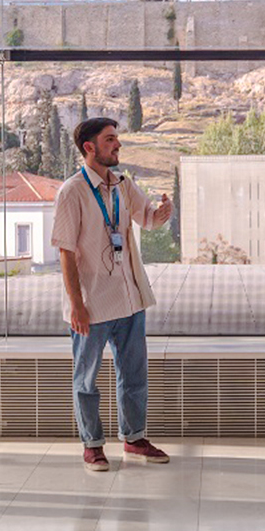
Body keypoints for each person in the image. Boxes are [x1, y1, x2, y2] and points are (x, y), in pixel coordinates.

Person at [53, 117, 174, 472]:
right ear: (89, 147)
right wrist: (76, 304)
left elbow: (147, 219)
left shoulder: (123, 184)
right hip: (92, 304)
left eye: (117, 140)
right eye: (110, 140)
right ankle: (92, 445)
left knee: (134, 374)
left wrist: (161, 213)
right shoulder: (72, 191)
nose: (117, 146)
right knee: (86, 378)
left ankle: (134, 439)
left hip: (130, 298)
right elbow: (66, 251)